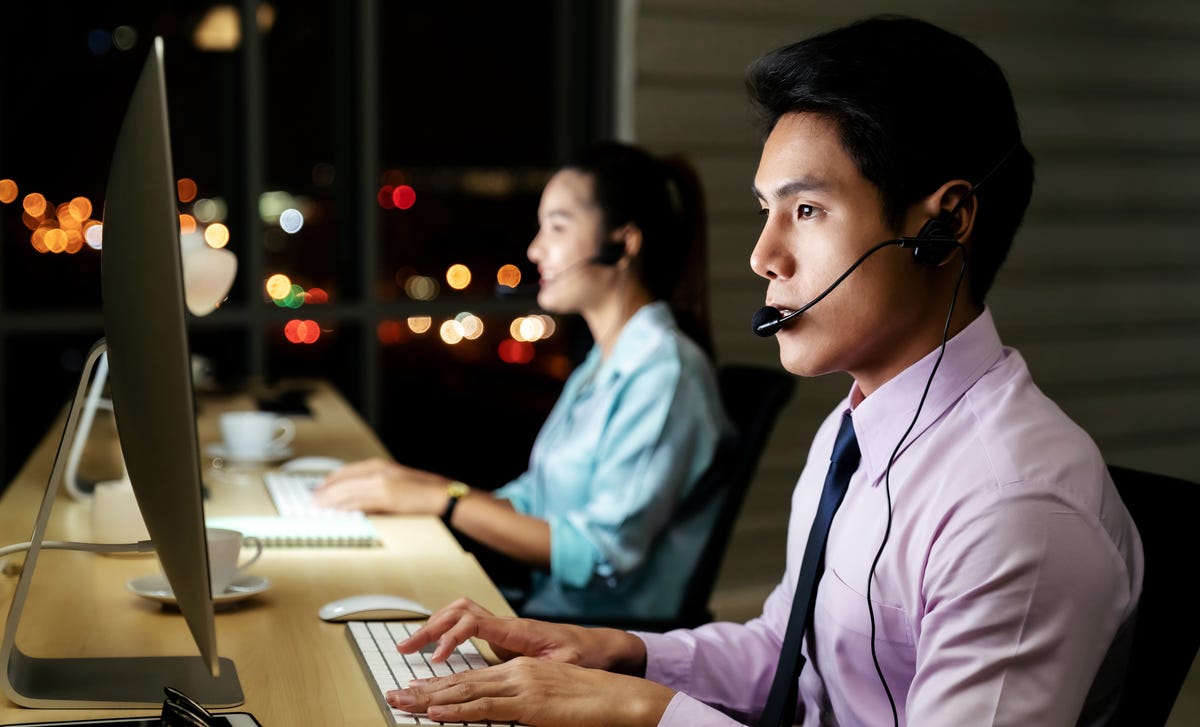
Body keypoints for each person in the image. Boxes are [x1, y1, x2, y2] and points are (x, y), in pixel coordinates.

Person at [377, 15, 1144, 727]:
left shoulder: (1014, 510)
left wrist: (642, 708)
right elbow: (786, 653)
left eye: (806, 210)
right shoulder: (852, 430)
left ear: (944, 225)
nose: (762, 257)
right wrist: (617, 652)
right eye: (764, 211)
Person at [314, 141, 732, 621]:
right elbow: (534, 500)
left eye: (557, 226)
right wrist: (417, 485)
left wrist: (442, 500)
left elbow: (598, 555)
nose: (535, 249)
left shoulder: (664, 374)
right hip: (545, 613)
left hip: (592, 637)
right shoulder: (603, 363)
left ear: (622, 243)